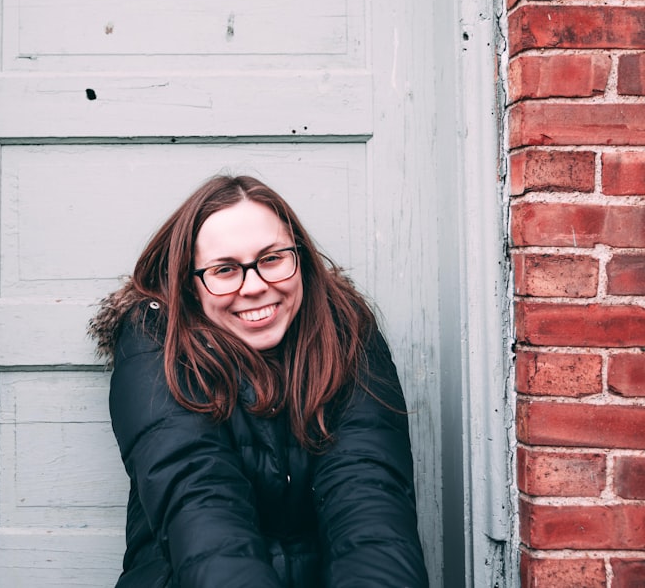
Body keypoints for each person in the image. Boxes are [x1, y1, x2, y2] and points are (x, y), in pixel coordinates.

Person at [89, 175, 428, 587]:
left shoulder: (346, 332)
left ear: (298, 257)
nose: (254, 287)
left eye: (271, 259)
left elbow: (370, 498)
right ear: (190, 284)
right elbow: (198, 500)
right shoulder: (155, 340)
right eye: (225, 270)